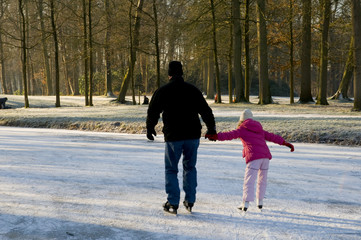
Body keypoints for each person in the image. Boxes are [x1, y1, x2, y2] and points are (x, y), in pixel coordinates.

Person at [146, 61, 216, 214]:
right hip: (192, 135)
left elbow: (153, 111)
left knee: (171, 169)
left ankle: (172, 202)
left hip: (173, 136)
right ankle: (190, 200)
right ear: (182, 73)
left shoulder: (163, 91)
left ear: (169, 73)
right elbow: (205, 110)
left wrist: (150, 127)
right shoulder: (192, 90)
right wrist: (211, 128)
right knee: (190, 167)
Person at [205, 109, 294, 211]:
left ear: (242, 120)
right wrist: (285, 143)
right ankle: (260, 202)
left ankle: (245, 204)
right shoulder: (259, 129)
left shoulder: (242, 129)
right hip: (265, 157)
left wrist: (215, 136)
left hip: (254, 157)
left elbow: (229, 135)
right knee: (262, 180)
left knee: (249, 181)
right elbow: (272, 137)